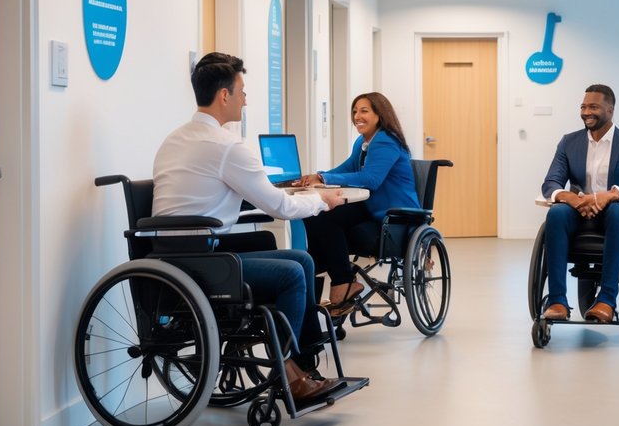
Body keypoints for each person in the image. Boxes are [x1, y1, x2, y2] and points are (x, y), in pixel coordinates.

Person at [152, 52, 347, 403]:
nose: (245, 98)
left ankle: (300, 365)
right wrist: (322, 201)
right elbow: (280, 206)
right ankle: (287, 370)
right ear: (224, 95)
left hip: (174, 256)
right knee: (292, 273)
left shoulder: (175, 138)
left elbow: (204, 196)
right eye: (241, 90)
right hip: (202, 264)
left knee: (301, 260)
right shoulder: (226, 146)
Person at [539, 84, 619, 323]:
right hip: (578, 214)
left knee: (614, 209)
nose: (586, 112)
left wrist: (611, 194)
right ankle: (557, 301)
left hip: (615, 217)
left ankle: (607, 300)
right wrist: (571, 198)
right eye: (583, 107)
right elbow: (551, 183)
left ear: (610, 110)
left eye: (593, 107)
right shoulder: (569, 142)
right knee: (557, 214)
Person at [297, 92, 420, 313]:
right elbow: (347, 169)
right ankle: (318, 264)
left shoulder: (386, 140)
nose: (357, 116)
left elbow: (371, 179)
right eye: (355, 111)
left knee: (325, 216)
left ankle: (341, 281)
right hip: (372, 206)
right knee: (316, 210)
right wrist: (318, 177)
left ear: (379, 114)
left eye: (364, 111)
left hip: (393, 213)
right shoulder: (363, 142)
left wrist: (325, 179)